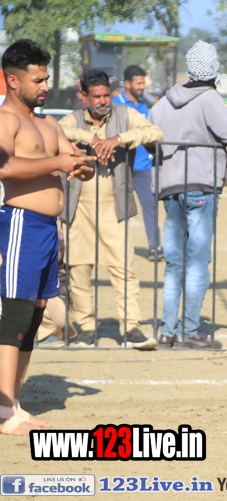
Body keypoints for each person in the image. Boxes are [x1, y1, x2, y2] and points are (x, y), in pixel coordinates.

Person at [0, 39, 95, 434]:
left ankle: (13, 404)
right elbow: (3, 167)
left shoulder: (48, 123)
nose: (45, 86)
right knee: (15, 315)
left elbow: (71, 158)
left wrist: (83, 165)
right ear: (12, 80)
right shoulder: (6, 120)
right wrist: (57, 161)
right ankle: (3, 411)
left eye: (46, 78)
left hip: (47, 230)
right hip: (20, 224)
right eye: (37, 80)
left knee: (34, 316)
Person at [148, 40, 227, 349]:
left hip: (170, 187)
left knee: (174, 262)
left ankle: (167, 330)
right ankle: (190, 330)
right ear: (215, 72)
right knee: (197, 262)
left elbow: (150, 135)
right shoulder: (209, 98)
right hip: (200, 186)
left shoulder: (163, 103)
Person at [59, 68, 163, 350]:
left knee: (123, 269)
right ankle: (87, 329)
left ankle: (131, 328)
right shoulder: (73, 119)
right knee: (78, 269)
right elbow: (56, 130)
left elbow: (155, 132)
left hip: (115, 207)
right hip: (78, 207)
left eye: (106, 95)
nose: (103, 101)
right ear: (84, 97)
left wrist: (118, 139)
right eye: (97, 96)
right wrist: (89, 137)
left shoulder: (124, 114)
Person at [111, 63, 161, 259]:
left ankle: (154, 246)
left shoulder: (144, 106)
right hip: (120, 165)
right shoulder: (114, 103)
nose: (142, 87)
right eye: (138, 83)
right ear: (127, 83)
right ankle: (116, 248)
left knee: (151, 206)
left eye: (143, 83)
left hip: (144, 166)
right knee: (118, 208)